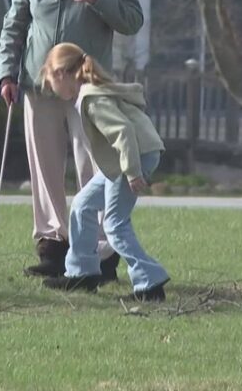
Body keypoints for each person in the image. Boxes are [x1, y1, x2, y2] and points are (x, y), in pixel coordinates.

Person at [0, 0, 144, 279]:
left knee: (92, 167)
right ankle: (52, 245)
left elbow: (133, 20)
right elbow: (14, 24)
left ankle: (101, 251)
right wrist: (7, 75)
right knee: (44, 166)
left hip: (87, 89)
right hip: (37, 85)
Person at [38, 43, 169, 302]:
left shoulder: (92, 99)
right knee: (82, 205)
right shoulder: (91, 94)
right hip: (122, 160)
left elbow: (123, 132)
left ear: (62, 74)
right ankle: (82, 274)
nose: (51, 89)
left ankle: (150, 283)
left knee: (114, 224)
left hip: (133, 158)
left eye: (50, 81)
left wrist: (133, 172)